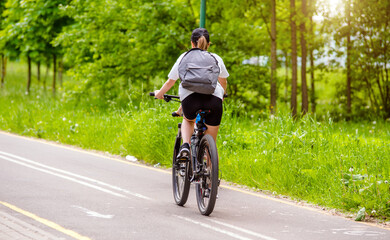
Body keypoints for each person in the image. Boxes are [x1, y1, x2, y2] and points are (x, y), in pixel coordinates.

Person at [154, 28, 229, 158]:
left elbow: (169, 83)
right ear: (209, 44)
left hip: (190, 99)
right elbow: (223, 82)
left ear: (191, 43)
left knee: (188, 120)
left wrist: (159, 94)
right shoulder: (216, 58)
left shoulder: (184, 57)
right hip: (214, 99)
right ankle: (210, 173)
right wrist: (221, 97)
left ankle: (186, 145)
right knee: (211, 146)